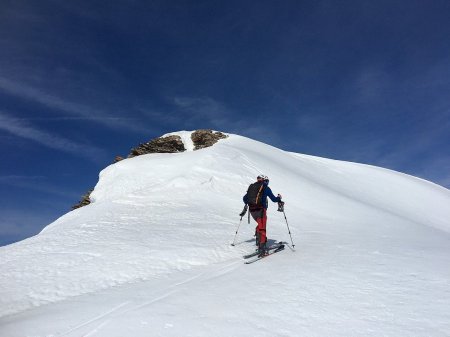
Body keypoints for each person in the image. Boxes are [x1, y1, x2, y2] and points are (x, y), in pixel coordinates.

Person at [242, 175, 282, 257]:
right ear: (265, 181)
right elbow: (274, 199)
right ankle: (262, 248)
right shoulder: (266, 188)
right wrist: (279, 198)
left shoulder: (252, 187)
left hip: (252, 211)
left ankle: (258, 240)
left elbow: (244, 199)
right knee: (262, 228)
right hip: (261, 211)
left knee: (260, 225)